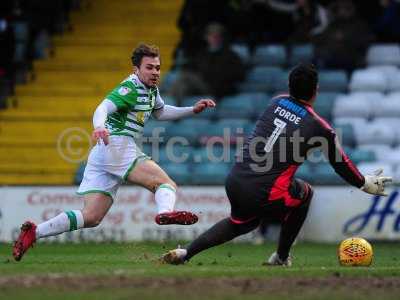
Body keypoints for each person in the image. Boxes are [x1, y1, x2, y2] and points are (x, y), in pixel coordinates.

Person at [161, 63, 392, 266]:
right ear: (316, 90)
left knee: (240, 223)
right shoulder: (320, 127)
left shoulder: (276, 102)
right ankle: (281, 257)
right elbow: (340, 163)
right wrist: (363, 183)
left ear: (289, 86)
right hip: (265, 191)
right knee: (305, 194)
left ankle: (186, 253)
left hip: (236, 180)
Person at [13, 43, 216, 261]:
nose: (155, 72)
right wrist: (99, 127)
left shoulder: (151, 91)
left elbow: (161, 112)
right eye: (149, 67)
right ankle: (164, 213)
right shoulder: (129, 88)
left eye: (157, 67)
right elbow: (102, 107)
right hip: (117, 145)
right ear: (136, 69)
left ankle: (35, 232)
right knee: (165, 185)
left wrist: (191, 110)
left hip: (104, 152)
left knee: (91, 217)